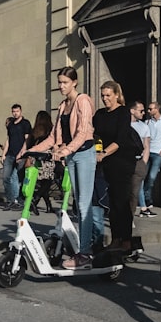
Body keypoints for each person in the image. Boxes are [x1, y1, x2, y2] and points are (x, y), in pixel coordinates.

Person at [27, 66, 96, 269]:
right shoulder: (62, 106)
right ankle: (84, 248)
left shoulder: (83, 100)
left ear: (74, 82)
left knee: (84, 204)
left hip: (84, 154)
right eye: (59, 82)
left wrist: (66, 151)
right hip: (73, 157)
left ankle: (85, 254)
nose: (61, 86)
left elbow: (83, 132)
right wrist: (31, 151)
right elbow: (54, 137)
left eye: (65, 82)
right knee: (78, 204)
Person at [92, 81, 136, 252]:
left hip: (122, 161)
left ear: (117, 95)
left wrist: (103, 153)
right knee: (111, 203)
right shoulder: (100, 114)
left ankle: (126, 239)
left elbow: (121, 139)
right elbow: (91, 132)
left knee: (121, 202)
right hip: (106, 164)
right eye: (103, 95)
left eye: (108, 95)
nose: (105, 99)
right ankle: (116, 237)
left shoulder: (123, 112)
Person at [140, 100, 161, 217]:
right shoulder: (147, 122)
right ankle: (146, 201)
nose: (148, 111)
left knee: (152, 177)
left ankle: (145, 197)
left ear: (156, 109)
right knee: (144, 175)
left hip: (158, 152)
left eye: (150, 109)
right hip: (148, 152)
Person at [0, 104, 31, 210]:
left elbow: (27, 140)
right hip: (10, 154)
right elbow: (8, 139)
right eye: (13, 111)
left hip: (21, 156)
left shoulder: (25, 123)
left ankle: (21, 202)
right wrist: (4, 153)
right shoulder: (10, 124)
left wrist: (22, 153)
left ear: (21, 111)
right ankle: (10, 201)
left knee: (20, 179)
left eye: (17, 111)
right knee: (5, 177)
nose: (15, 113)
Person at [25, 110, 56, 214]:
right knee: (48, 181)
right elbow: (53, 143)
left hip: (35, 157)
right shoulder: (50, 130)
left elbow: (29, 145)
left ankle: (48, 206)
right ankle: (35, 199)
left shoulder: (34, 131)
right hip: (46, 157)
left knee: (43, 183)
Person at [128, 101, 151, 219]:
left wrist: (144, 162)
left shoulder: (144, 126)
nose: (143, 113)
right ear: (132, 111)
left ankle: (130, 218)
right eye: (141, 111)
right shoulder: (124, 124)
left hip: (138, 162)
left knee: (134, 193)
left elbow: (147, 145)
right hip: (124, 162)